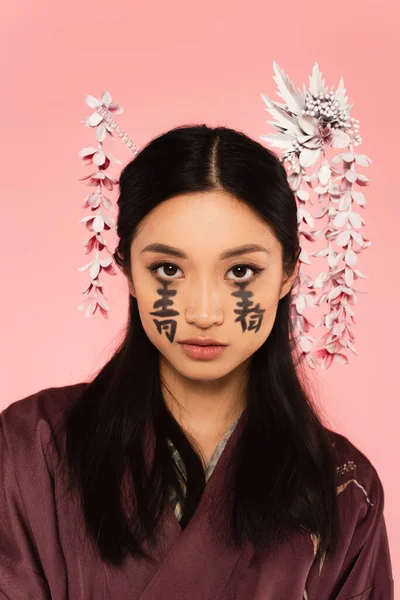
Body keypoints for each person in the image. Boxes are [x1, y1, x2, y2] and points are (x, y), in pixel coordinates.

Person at [0, 125, 394, 599]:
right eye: (168, 269)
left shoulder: (344, 489)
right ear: (126, 268)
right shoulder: (31, 447)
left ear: (288, 271)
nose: (203, 312)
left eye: (241, 271)